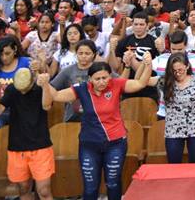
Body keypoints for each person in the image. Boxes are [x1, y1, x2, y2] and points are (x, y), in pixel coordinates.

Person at [42, 59, 151, 200]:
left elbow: (141, 83)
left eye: (105, 78)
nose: (101, 82)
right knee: (90, 186)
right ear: (90, 79)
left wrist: (148, 65)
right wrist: (45, 83)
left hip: (115, 143)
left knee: (112, 183)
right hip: (89, 145)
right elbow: (56, 96)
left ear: (110, 76)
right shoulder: (81, 89)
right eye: (97, 79)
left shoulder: (117, 84)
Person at [0, 68, 54, 200]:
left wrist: (46, 85)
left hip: (41, 145)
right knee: (23, 189)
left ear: (32, 82)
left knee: (44, 191)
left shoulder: (40, 88)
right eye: (20, 89)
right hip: (17, 147)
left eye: (25, 88)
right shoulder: (12, 89)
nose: (22, 91)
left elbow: (47, 106)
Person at [147, 53, 195, 163]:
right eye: (174, 71)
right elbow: (142, 80)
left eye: (180, 70)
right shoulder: (164, 80)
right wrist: (146, 65)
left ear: (187, 66)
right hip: (173, 130)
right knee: (174, 166)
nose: (177, 74)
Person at [49, 40, 100, 122]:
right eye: (80, 53)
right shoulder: (68, 71)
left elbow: (119, 82)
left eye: (87, 53)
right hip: (73, 117)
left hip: (97, 117)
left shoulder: (100, 69)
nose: (83, 56)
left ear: (93, 55)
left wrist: (127, 67)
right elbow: (51, 87)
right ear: (76, 54)